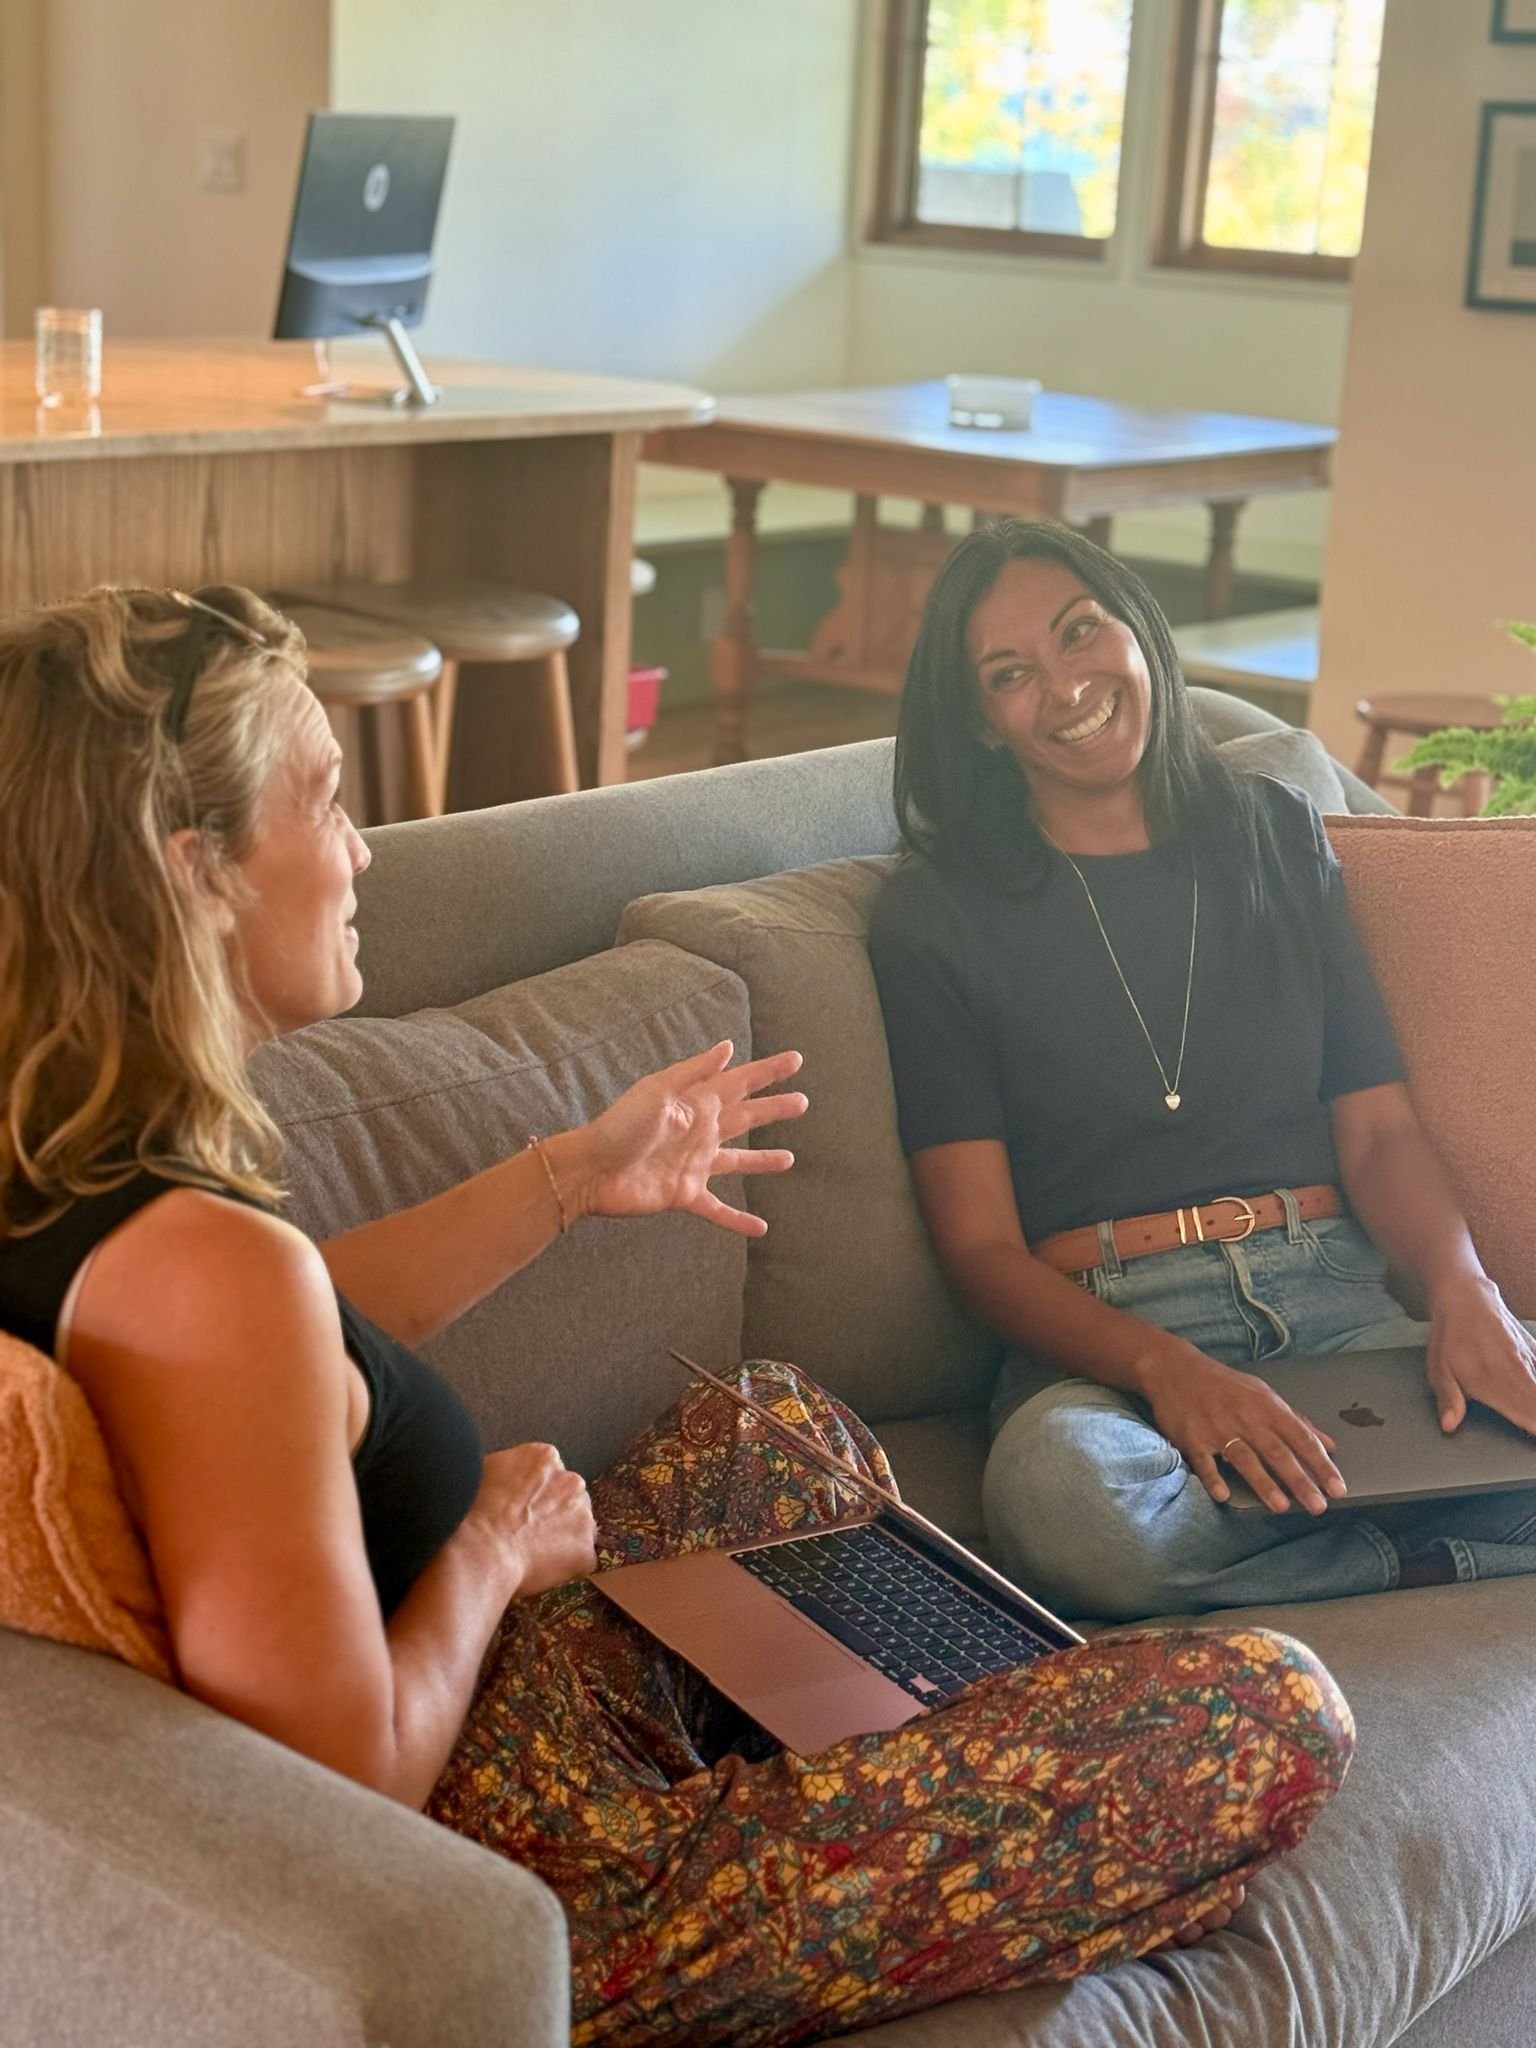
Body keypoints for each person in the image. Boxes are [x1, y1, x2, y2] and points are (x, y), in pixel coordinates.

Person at [0, 585, 1352, 2047]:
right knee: (1266, 1711)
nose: (362, 849)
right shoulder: (202, 1271)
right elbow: (341, 1772)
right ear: (192, 870)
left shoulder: (76, 1167)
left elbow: (294, 1349)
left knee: (768, 1425)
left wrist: (578, 1173)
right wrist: (487, 1550)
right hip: (536, 1871)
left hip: (514, 1723)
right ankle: (864, 1852)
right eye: (325, 803)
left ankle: (897, 1801)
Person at [868, 519, 1536, 1628]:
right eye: (1011, 673)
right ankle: (1431, 1550)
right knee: (1064, 1505)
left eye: (1083, 631)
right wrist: (1165, 1366)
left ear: (1137, 625)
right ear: (983, 725)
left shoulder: (1276, 834)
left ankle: (1323, 1537)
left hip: (1333, 1299)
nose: (1067, 682)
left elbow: (1377, 1130)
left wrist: (1466, 1289)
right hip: (1106, 1340)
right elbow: (979, 1248)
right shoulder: (935, 918)